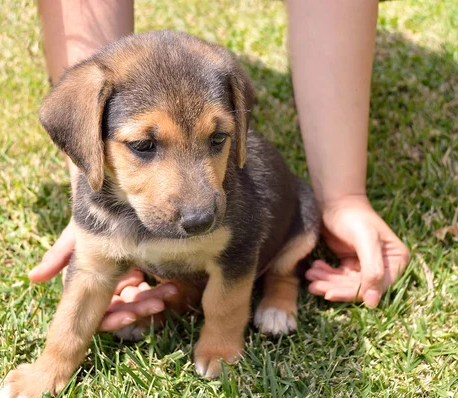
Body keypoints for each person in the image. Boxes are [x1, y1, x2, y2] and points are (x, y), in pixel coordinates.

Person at [29, 0, 411, 333]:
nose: (198, 206)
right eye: (144, 146)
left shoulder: (221, 209)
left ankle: (281, 284)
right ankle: (177, 291)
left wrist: (344, 197)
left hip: (273, 242)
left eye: (217, 140)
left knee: (288, 226)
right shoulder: (89, 107)